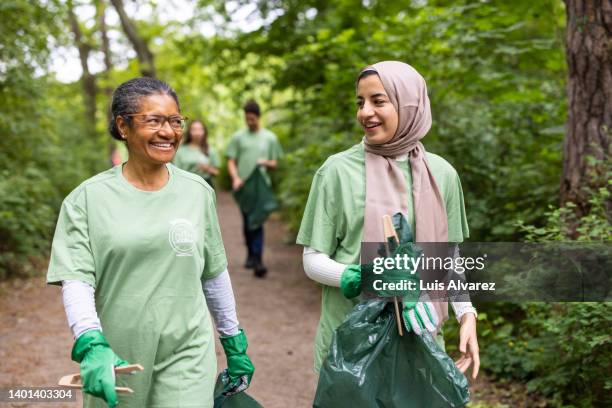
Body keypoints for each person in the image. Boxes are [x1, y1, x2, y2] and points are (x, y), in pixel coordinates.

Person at [47, 77, 254, 408]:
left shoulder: (197, 192)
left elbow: (213, 272)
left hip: (188, 349)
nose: (169, 132)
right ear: (123, 126)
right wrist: (89, 341)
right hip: (118, 353)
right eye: (154, 121)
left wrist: (233, 339)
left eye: (175, 121)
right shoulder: (86, 199)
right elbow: (77, 280)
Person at [296, 61, 480, 379]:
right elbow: (312, 260)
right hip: (352, 350)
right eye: (360, 102)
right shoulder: (336, 171)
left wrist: (466, 313)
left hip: (421, 343)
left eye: (378, 101)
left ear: (409, 104)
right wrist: (365, 276)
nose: (365, 112)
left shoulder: (443, 175)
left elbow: (448, 258)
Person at [227, 100, 283, 278]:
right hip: (244, 186)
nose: (249, 122)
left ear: (258, 117)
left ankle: (258, 260)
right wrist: (235, 178)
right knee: (247, 222)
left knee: (257, 221)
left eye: (252, 118)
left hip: (261, 187)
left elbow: (275, 163)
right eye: (246, 119)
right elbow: (231, 161)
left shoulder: (270, 138)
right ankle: (251, 253)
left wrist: (264, 162)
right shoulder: (238, 137)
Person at [174, 119, 220, 188]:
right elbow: (174, 172)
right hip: (185, 185)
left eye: (200, 130)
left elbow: (216, 172)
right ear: (189, 132)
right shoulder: (180, 151)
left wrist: (207, 169)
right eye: (194, 130)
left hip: (206, 185)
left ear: (204, 132)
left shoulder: (211, 150)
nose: (197, 133)